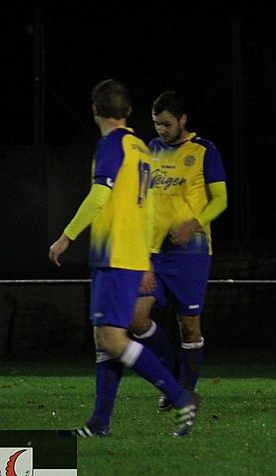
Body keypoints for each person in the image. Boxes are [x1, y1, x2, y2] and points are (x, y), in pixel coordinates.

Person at [48, 79, 198, 437]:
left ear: (95, 110)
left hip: (114, 255)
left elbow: (100, 194)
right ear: (128, 111)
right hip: (129, 255)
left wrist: (67, 236)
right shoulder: (141, 148)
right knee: (105, 342)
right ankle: (98, 424)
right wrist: (145, 257)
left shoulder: (111, 145)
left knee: (113, 341)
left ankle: (180, 397)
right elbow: (147, 210)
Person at [129, 91, 228, 410]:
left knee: (189, 324)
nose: (161, 129)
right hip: (153, 252)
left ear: (182, 120)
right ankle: (174, 380)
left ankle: (185, 388)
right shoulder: (150, 150)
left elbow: (221, 200)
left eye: (167, 124)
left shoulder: (204, 150)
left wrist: (194, 224)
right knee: (135, 318)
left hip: (191, 253)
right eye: (156, 124)